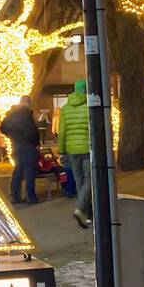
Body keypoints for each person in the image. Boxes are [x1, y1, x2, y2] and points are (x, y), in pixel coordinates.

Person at [57, 79, 92, 228]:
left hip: (71, 150)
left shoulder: (65, 108)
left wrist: (61, 150)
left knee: (79, 181)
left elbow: (62, 131)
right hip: (86, 148)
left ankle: (87, 213)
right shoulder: (89, 106)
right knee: (89, 180)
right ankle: (80, 208)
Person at [1, 95, 41, 205]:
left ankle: (15, 195)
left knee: (18, 169)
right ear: (28, 103)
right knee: (29, 170)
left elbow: (2, 127)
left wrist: (12, 135)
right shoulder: (26, 114)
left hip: (15, 143)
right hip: (27, 144)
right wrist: (36, 142)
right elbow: (31, 130)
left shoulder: (11, 113)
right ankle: (30, 196)